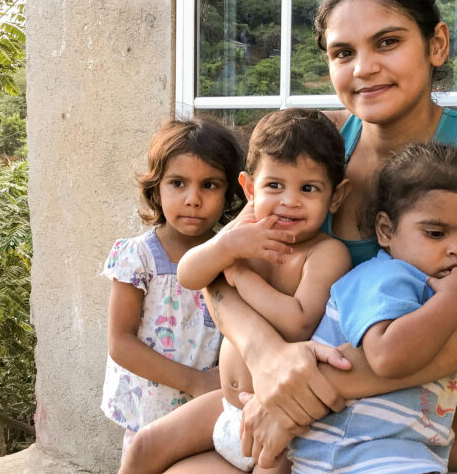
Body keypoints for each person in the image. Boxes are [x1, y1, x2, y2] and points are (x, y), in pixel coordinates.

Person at [164, 0, 457, 473]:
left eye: (388, 41)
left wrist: (312, 386)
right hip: (291, 384)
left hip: (434, 395)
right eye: (342, 53)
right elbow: (221, 269)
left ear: (437, 44)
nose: (364, 68)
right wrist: (267, 356)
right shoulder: (317, 143)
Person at [118, 108, 352, 473]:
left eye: (308, 189)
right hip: (224, 406)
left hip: (276, 426)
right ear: (248, 188)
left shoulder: (325, 253)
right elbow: (189, 274)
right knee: (145, 446)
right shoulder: (247, 229)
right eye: (274, 186)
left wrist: (241, 276)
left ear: (335, 197)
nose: (289, 201)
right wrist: (227, 248)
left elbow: (299, 323)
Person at [289, 142, 457, 474]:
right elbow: (386, 356)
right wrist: (455, 300)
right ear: (386, 230)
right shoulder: (384, 278)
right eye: (436, 233)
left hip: (400, 453)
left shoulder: (445, 302)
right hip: (348, 449)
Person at [100, 117, 245, 456]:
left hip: (213, 415)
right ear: (156, 188)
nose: (193, 199)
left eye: (209, 185)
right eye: (178, 183)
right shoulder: (137, 258)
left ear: (229, 194)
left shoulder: (233, 258)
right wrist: (195, 382)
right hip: (149, 416)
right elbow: (120, 342)